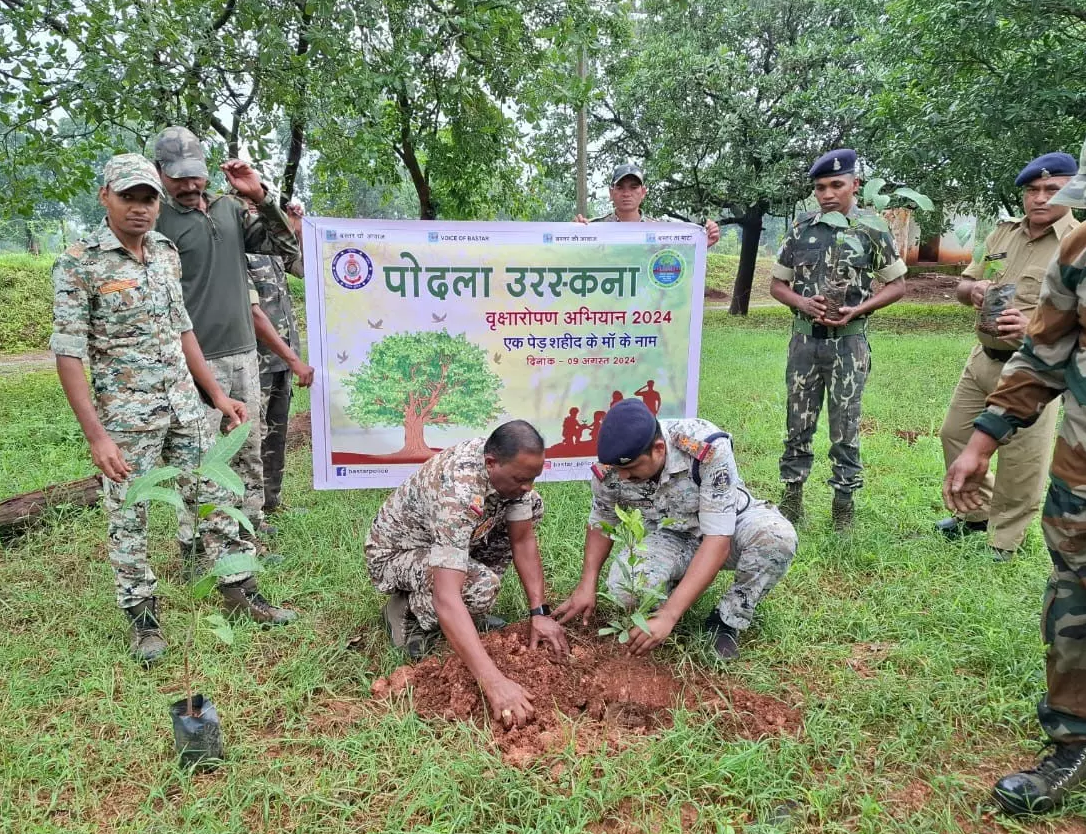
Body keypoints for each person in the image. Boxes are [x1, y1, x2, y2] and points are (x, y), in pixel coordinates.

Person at [944, 97, 1086, 816]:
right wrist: (981, 442)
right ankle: (1076, 743)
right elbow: (1043, 357)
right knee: (1080, 626)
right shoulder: (1084, 247)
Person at [49, 154, 294, 665]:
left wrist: (217, 395)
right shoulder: (80, 262)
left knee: (212, 491)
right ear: (106, 198)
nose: (140, 209)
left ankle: (239, 587)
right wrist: (97, 436)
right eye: (128, 197)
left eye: (147, 199)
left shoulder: (163, 252)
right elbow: (69, 354)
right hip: (126, 416)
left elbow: (184, 331)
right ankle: (143, 617)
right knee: (129, 514)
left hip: (184, 404)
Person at [151, 126, 305, 546]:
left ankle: (248, 531)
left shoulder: (228, 209)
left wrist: (260, 197)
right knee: (199, 455)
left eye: (195, 174)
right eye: (178, 176)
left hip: (243, 355)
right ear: (159, 173)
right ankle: (197, 543)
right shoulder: (155, 220)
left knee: (248, 449)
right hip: (191, 358)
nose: (189, 184)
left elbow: (285, 247)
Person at [554, 399, 797, 659]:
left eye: (631, 470)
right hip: (672, 533)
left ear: (659, 449)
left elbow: (718, 538)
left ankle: (727, 620)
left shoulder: (705, 446)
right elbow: (601, 523)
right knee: (626, 589)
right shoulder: (612, 468)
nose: (622, 477)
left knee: (776, 538)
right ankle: (671, 594)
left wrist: (670, 614)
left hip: (730, 525)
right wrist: (587, 584)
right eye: (618, 470)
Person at [365, 421, 569, 727]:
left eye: (533, 478)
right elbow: (447, 597)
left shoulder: (509, 473)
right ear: (491, 464)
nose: (527, 486)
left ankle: (465, 615)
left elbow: (523, 540)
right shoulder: (457, 493)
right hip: (397, 555)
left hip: (443, 545)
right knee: (480, 587)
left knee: (528, 508)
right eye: (521, 479)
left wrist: (539, 612)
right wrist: (495, 683)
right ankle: (405, 608)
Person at [936, 153, 1079, 559]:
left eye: (1053, 189)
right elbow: (964, 285)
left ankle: (1005, 540)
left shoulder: (1081, 243)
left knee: (1021, 457)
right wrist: (974, 292)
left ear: (1074, 190)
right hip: (983, 357)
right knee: (955, 433)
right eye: (1032, 190)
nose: (1040, 198)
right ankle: (976, 513)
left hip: (1034, 369)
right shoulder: (1003, 234)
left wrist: (1032, 328)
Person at [770, 148, 908, 529]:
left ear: (854, 185)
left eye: (836, 185)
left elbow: (896, 286)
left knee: (845, 426)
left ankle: (843, 507)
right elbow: (777, 285)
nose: (827, 193)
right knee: (797, 423)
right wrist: (802, 302)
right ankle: (791, 500)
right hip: (804, 344)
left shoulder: (871, 229)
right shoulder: (802, 228)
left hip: (848, 344)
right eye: (820, 187)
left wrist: (859, 310)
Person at [244, 194, 314, 514]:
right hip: (256, 361)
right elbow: (255, 315)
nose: (253, 211)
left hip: (282, 361)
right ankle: (252, 513)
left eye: (258, 206)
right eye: (248, 206)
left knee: (276, 433)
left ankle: (272, 502)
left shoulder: (270, 249)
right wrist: (293, 359)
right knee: (252, 441)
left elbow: (305, 267)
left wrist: (296, 227)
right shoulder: (236, 250)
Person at [577, 163, 722, 247]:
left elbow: (678, 256)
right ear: (611, 192)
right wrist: (571, 236)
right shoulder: (593, 228)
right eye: (620, 187)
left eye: (633, 187)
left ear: (643, 192)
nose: (626, 193)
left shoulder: (661, 231)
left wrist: (703, 243)